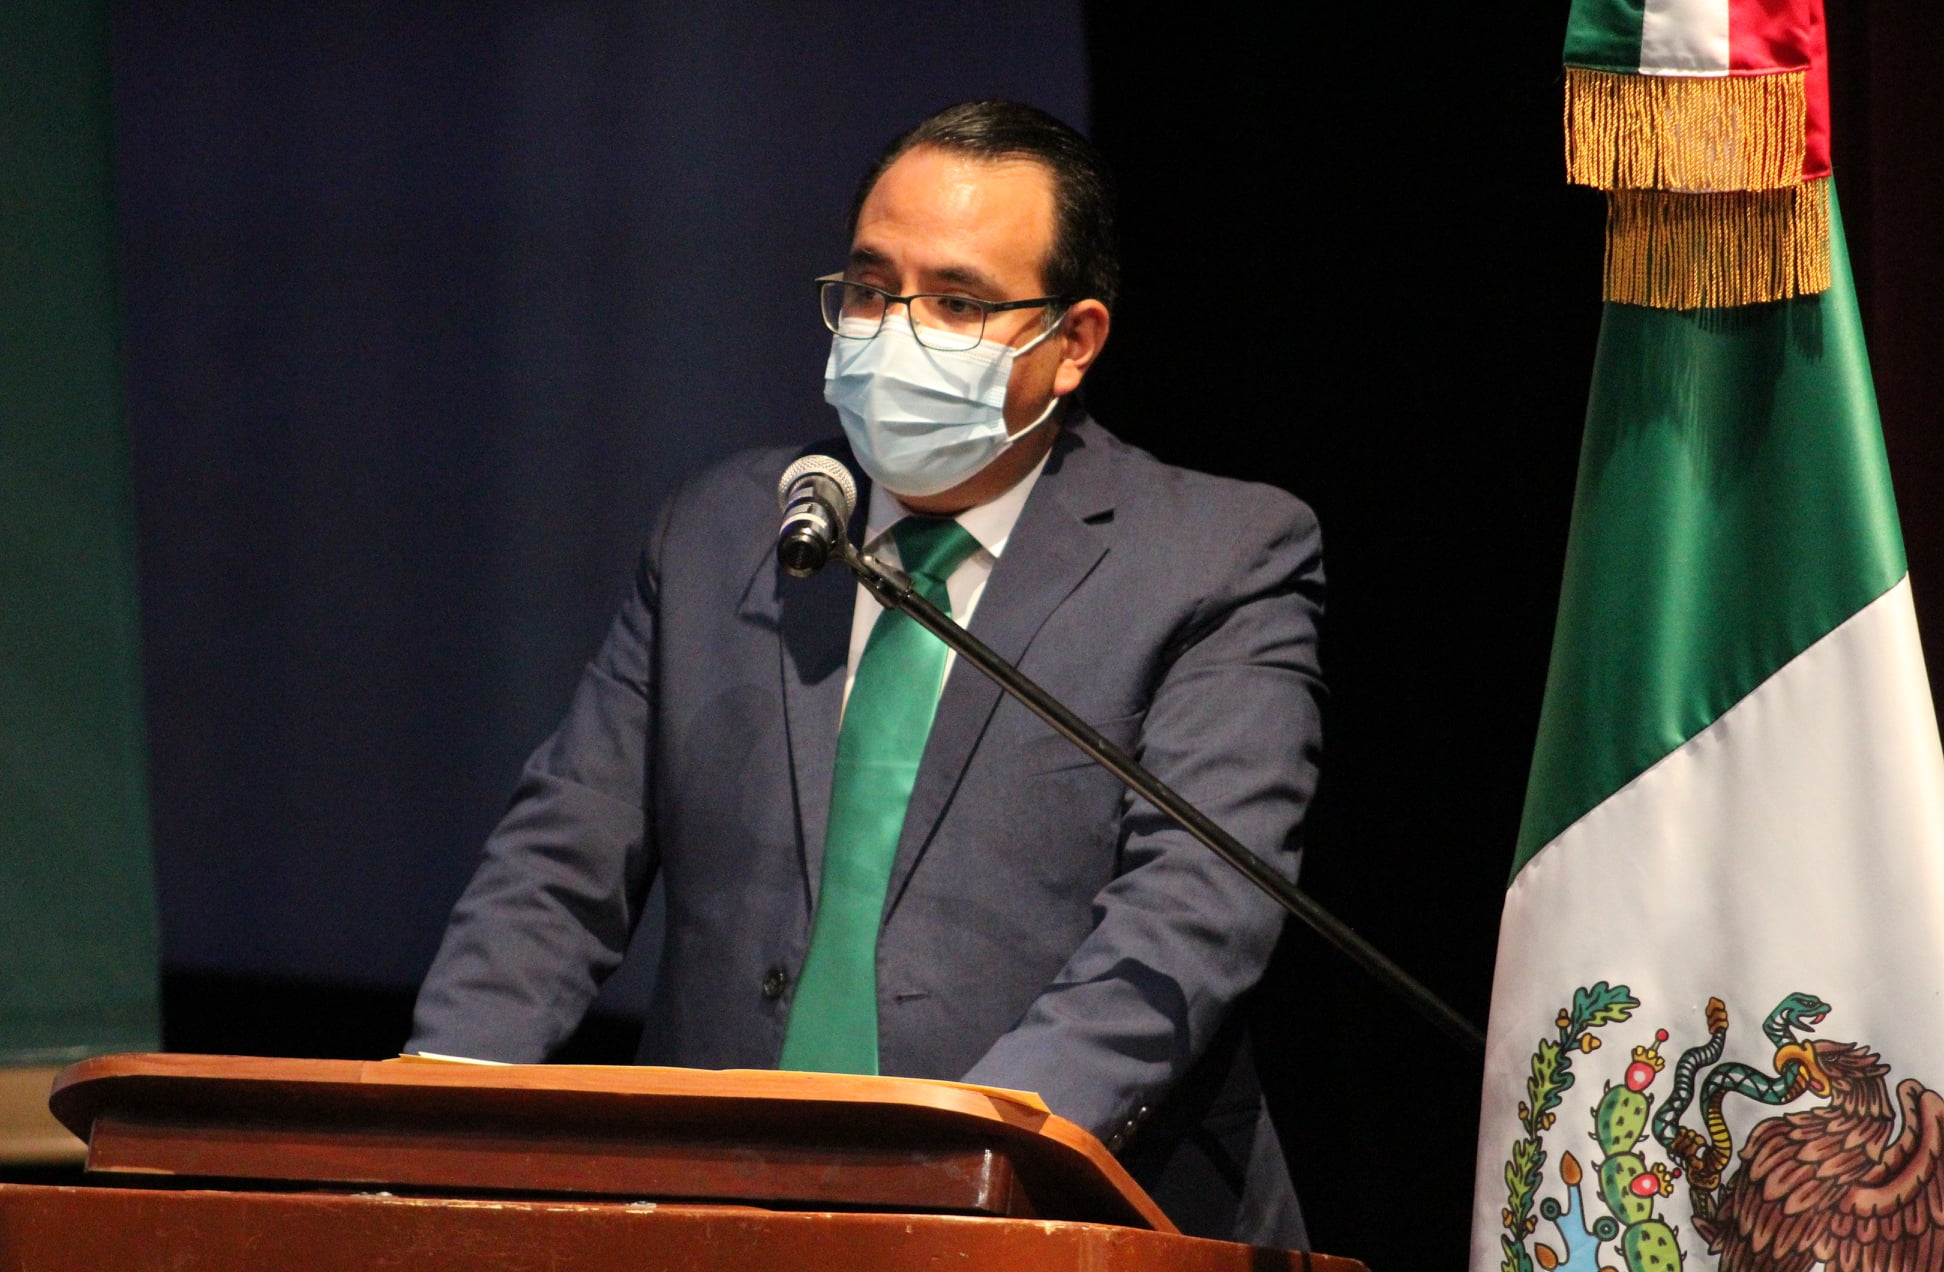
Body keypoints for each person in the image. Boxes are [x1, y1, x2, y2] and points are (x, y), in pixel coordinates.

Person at [410, 100, 1324, 1247]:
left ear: (1075, 342)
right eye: (870, 288)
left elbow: (1191, 914)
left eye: (957, 302)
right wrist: (432, 1115)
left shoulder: (1217, 557)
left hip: (1065, 1224)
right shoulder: (724, 531)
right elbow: (559, 861)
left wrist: (965, 1161)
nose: (895, 333)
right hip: (714, 1214)